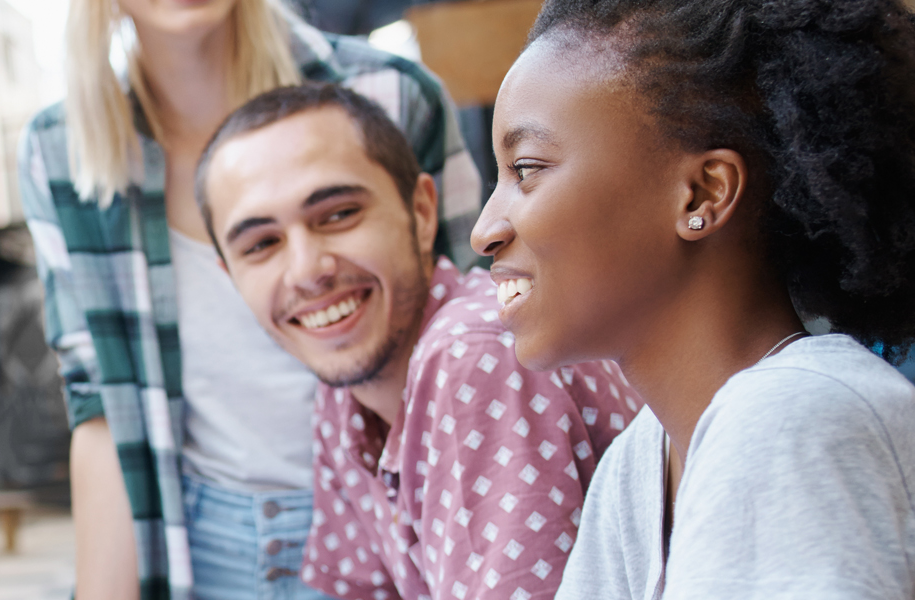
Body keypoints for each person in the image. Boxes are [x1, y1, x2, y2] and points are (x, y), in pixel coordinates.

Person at [470, 0, 915, 597]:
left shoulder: (796, 420)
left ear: (702, 195)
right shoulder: (639, 463)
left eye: (527, 169)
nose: (485, 231)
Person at [19, 0, 482, 596]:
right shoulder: (63, 148)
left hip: (400, 519)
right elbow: (101, 405)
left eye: (336, 213)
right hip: (204, 539)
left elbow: (476, 321)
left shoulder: (389, 93)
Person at [195, 83, 635, 600]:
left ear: (423, 212)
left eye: (338, 215)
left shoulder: (476, 352)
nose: (307, 271)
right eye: (262, 244)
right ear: (230, 277)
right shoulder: (346, 386)